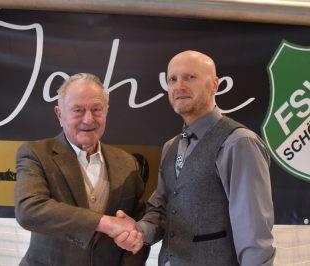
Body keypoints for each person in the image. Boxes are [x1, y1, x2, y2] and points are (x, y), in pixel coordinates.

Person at [115, 50, 275, 265]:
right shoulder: (171, 147)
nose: (179, 86)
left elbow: (254, 236)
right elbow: (162, 210)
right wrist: (139, 231)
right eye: (172, 79)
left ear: (215, 84)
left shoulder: (239, 143)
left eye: (190, 77)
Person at [14, 73, 148, 266]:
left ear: (106, 111)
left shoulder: (128, 163)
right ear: (60, 114)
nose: (88, 119)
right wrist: (105, 223)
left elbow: (137, 229)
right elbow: (29, 210)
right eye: (78, 110)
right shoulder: (36, 154)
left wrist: (135, 243)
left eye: (96, 109)